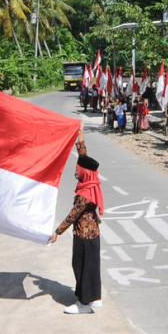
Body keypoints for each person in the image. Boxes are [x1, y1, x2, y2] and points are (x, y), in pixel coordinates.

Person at [48, 128, 102, 314]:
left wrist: (57, 232)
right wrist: (80, 134)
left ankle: (84, 304)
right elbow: (83, 156)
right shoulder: (91, 181)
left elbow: (72, 215)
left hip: (84, 235)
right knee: (92, 267)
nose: (77, 172)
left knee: (82, 268)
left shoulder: (85, 194)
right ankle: (95, 298)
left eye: (78, 170)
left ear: (83, 172)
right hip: (93, 234)